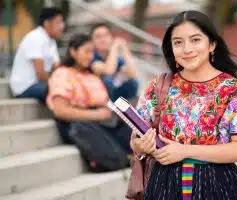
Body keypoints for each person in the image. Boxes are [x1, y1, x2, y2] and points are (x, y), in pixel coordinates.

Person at [130, 10, 237, 200]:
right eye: (178, 42)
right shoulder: (158, 86)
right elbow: (135, 141)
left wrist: (185, 151)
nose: (187, 49)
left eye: (195, 40)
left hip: (217, 185)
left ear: (212, 44)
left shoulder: (234, 91)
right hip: (163, 184)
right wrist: (142, 146)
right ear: (171, 49)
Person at [47, 33, 132, 171]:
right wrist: (97, 115)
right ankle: (118, 159)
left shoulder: (90, 74)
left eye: (92, 52)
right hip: (77, 123)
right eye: (86, 51)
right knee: (89, 132)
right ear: (73, 52)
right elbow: (60, 111)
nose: (90, 56)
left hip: (102, 119)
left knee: (129, 128)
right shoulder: (62, 73)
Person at [9, 7, 64, 102]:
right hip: (25, 87)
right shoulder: (35, 38)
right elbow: (40, 73)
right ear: (47, 23)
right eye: (58, 22)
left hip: (40, 84)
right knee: (61, 91)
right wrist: (57, 84)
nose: (62, 26)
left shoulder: (51, 41)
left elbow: (57, 67)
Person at [90, 23, 139, 101]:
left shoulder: (117, 58)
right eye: (98, 37)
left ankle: (130, 111)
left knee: (133, 82)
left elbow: (133, 75)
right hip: (100, 99)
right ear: (92, 41)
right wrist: (114, 47)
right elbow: (109, 71)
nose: (103, 39)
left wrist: (124, 50)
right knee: (107, 80)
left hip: (116, 96)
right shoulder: (91, 58)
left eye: (106, 35)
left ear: (111, 38)